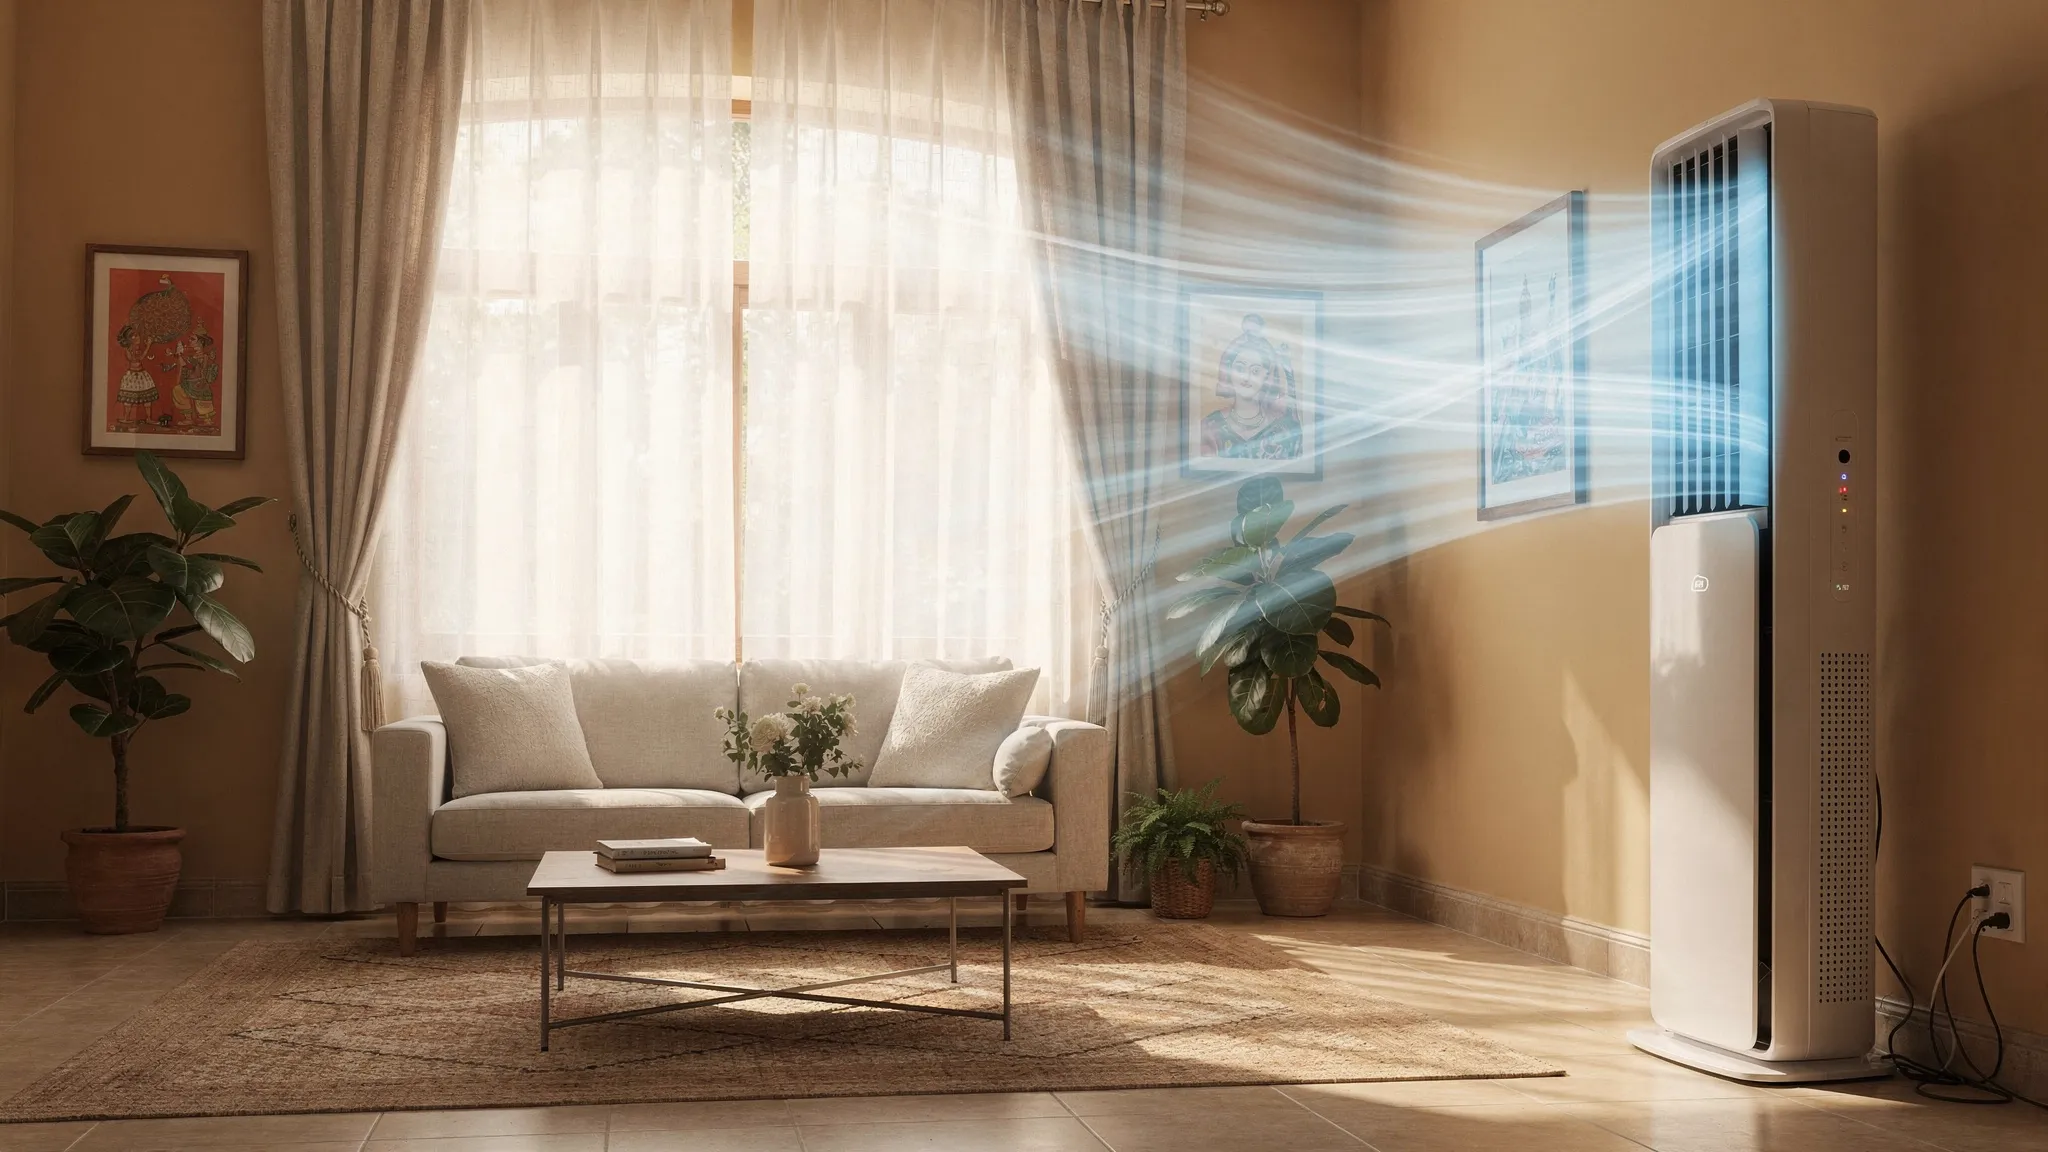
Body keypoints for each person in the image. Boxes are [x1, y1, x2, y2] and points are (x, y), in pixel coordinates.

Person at [1200, 313, 1303, 461]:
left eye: (1255, 371)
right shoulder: (1210, 427)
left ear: (1266, 377)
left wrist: (1288, 372)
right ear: (1229, 373)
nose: (1246, 378)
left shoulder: (1282, 428)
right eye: (1240, 369)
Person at [113, 324, 158, 430]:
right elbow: (137, 359)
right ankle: (126, 417)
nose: (138, 337)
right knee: (129, 399)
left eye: (138, 335)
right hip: (132, 376)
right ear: (130, 339)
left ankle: (148, 418)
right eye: (135, 336)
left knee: (147, 398)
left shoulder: (137, 348)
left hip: (141, 374)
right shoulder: (128, 350)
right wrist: (148, 346)